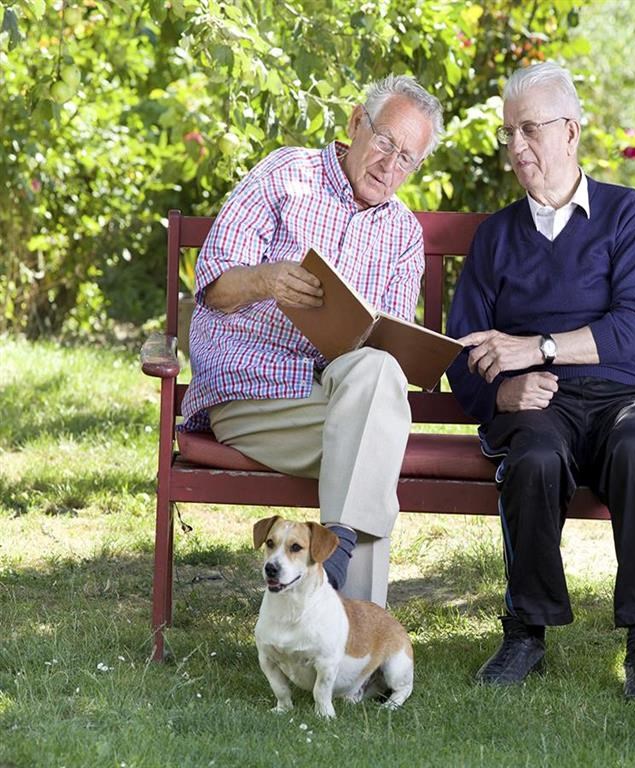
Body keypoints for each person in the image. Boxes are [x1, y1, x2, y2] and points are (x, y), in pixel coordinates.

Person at [446, 62, 635, 702]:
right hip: (536, 405)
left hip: (624, 396)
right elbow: (460, 346)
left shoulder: (625, 214)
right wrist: (500, 392)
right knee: (534, 457)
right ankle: (526, 631)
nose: (516, 147)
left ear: (570, 132)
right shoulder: (495, 237)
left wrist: (540, 347)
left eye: (529, 130)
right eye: (509, 134)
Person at [180, 75, 444, 597]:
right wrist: (267, 279)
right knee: (373, 443)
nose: (391, 166)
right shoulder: (287, 175)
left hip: (335, 401)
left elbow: (383, 354)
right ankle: (357, 647)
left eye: (407, 158)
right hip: (255, 397)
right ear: (355, 123)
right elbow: (210, 285)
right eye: (386, 142)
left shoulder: (403, 235)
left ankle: (337, 550)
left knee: (376, 390)